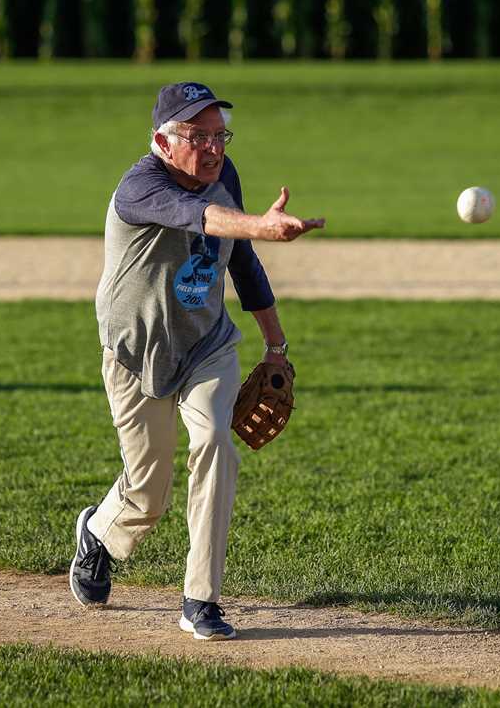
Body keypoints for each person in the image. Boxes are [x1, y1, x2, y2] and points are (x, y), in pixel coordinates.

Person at [69, 82, 325, 641]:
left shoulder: (223, 176)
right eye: (197, 136)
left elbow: (242, 261)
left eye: (219, 135)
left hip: (206, 345)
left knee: (214, 444)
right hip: (135, 354)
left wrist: (276, 344)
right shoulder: (141, 186)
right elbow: (198, 216)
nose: (213, 148)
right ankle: (99, 534)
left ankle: (200, 600)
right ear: (163, 141)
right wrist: (258, 222)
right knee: (148, 490)